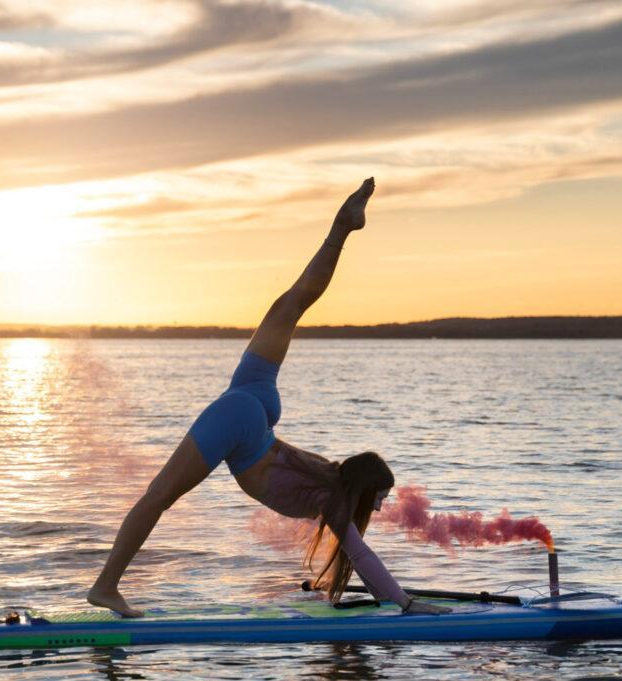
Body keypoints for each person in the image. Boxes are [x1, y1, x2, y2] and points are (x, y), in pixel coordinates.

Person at [88, 178, 451, 617]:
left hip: (253, 400)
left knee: (293, 304)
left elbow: (360, 556)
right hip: (243, 424)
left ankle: (342, 228)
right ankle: (105, 586)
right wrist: (407, 604)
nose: (380, 504)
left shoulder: (331, 478)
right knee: (158, 496)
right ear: (362, 487)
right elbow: (362, 556)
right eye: (379, 495)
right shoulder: (333, 499)